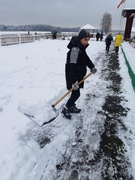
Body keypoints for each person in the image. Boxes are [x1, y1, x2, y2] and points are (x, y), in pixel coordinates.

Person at [61, 29, 97, 119]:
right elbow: (71, 66)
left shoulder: (81, 48)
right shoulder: (75, 49)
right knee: (76, 94)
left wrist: (91, 66)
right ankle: (66, 107)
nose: (86, 41)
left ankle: (71, 106)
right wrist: (73, 81)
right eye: (85, 39)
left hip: (78, 75)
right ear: (80, 38)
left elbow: (86, 59)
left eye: (88, 40)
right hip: (72, 75)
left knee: (75, 93)